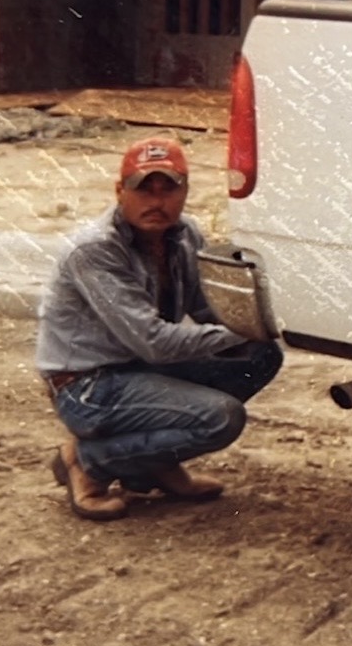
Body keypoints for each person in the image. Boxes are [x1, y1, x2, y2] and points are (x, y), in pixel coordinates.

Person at [35, 135, 283, 520]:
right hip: (88, 386)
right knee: (220, 417)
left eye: (168, 189)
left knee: (260, 356)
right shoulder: (95, 250)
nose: (156, 202)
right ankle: (87, 461)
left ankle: (151, 462)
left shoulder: (186, 236)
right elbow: (155, 343)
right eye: (143, 189)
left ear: (185, 192)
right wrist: (253, 327)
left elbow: (208, 309)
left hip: (136, 369)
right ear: (120, 191)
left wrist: (261, 321)